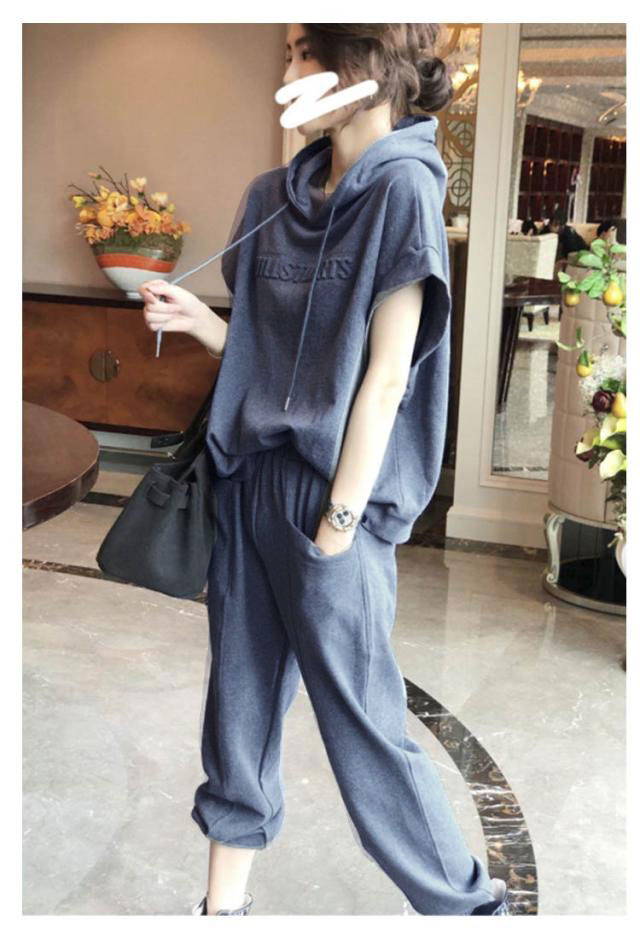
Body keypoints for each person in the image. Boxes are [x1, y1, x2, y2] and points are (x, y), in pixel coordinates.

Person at [139, 22, 510, 917]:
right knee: (237, 710)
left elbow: (385, 378)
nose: (288, 69)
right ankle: (222, 911)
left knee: (365, 727)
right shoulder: (275, 194)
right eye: (291, 51)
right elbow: (270, 359)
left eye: (306, 52)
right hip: (248, 480)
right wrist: (200, 323)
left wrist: (340, 522)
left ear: (366, 65)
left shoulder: (404, 190)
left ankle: (472, 913)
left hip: (331, 494)